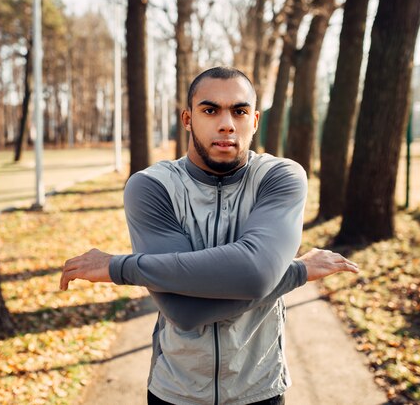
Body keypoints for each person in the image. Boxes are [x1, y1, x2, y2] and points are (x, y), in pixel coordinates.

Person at [60, 66, 359, 405]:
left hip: (260, 388)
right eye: (210, 109)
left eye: (240, 110)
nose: (227, 123)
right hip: (176, 391)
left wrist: (120, 268)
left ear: (255, 120)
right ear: (188, 119)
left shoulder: (280, 177)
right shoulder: (152, 187)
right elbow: (184, 311)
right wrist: (297, 272)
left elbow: (255, 274)